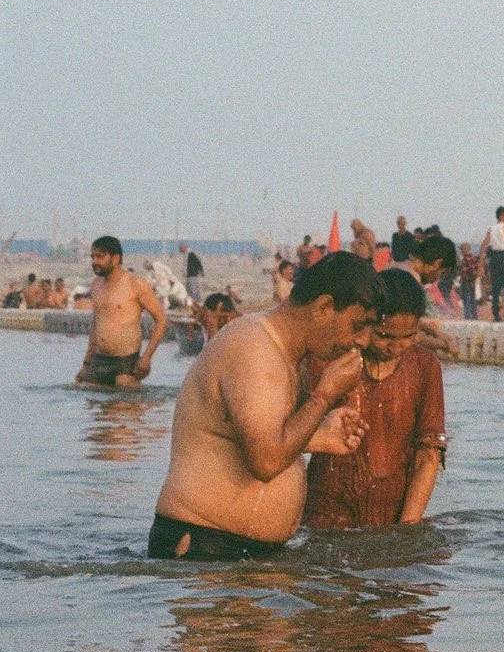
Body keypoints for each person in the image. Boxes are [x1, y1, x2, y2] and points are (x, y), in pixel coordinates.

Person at [148, 252, 382, 560]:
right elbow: (267, 461)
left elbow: (251, 437)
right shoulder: (254, 347)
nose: (364, 341)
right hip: (205, 547)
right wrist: (323, 396)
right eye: (358, 325)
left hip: (239, 552)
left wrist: (319, 435)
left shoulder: (285, 352)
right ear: (324, 307)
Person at [304, 268, 447, 529]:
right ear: (366, 322)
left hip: (393, 514)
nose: (396, 347)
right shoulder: (332, 360)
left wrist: (407, 527)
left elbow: (428, 454)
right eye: (384, 336)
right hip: (325, 512)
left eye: (409, 336)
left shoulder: (425, 366)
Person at [76, 236, 168, 389]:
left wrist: (146, 358)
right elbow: (96, 326)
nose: (94, 261)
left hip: (126, 362)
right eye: (92, 257)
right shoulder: (96, 285)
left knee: (123, 408)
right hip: (98, 360)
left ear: (116, 258)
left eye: (100, 257)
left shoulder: (135, 284)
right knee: (91, 408)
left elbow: (161, 320)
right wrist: (86, 364)